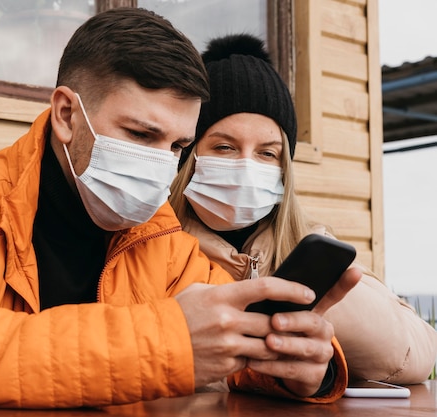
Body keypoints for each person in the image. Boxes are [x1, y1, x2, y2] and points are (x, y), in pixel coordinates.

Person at [0, 9, 361, 409]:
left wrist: (298, 366)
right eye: (140, 134)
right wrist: (167, 342)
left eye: (178, 147)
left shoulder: (163, 241)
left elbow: (228, 336)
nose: (162, 165)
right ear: (67, 114)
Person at [170, 33, 437, 386]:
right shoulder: (157, 249)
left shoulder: (310, 244)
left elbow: (416, 355)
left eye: (267, 153)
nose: (247, 167)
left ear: (284, 171)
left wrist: (317, 300)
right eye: (224, 147)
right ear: (189, 156)